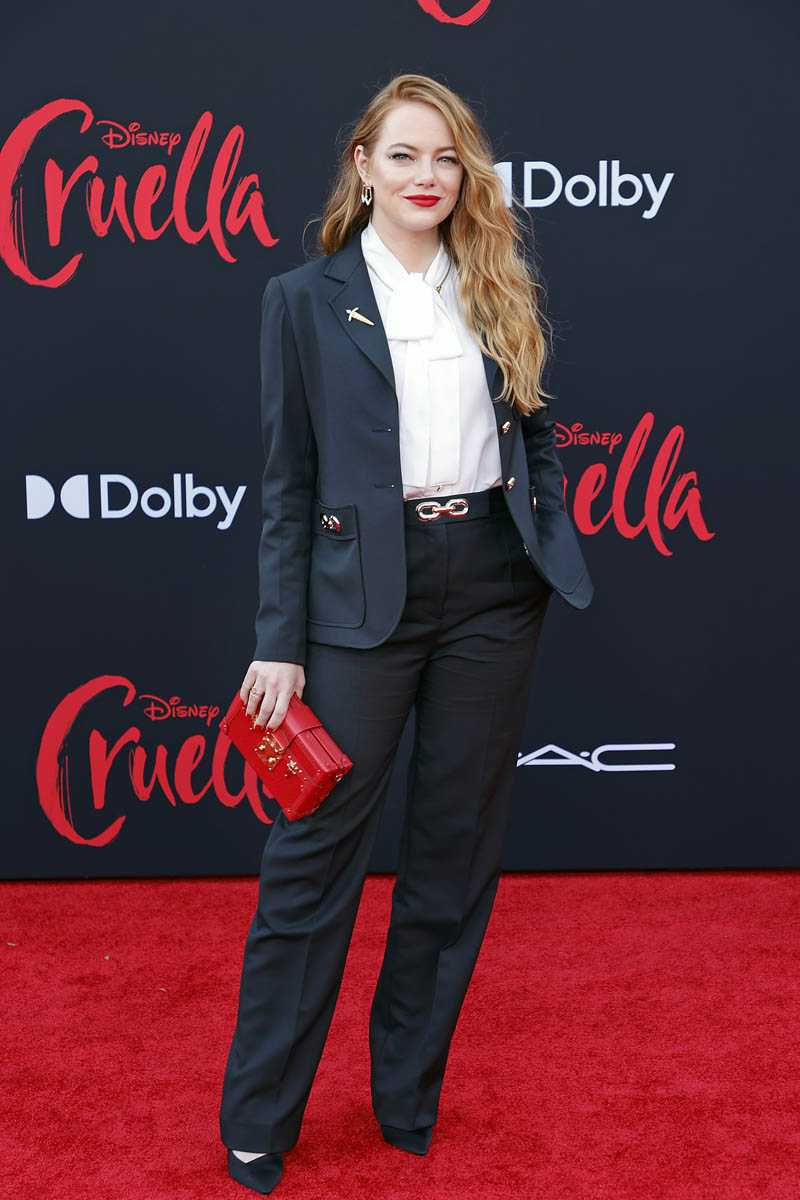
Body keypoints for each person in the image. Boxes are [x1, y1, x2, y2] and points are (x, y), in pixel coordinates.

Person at [219, 72, 593, 1195]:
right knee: (312, 858)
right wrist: (279, 640)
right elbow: (286, 485)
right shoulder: (303, 298)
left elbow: (536, 436)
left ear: (464, 173)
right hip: (357, 598)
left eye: (445, 158)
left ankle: (405, 1099)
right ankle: (258, 1117)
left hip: (492, 587)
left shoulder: (496, 280)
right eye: (403, 155)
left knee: (452, 854)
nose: (426, 176)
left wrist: (538, 539)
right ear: (363, 168)